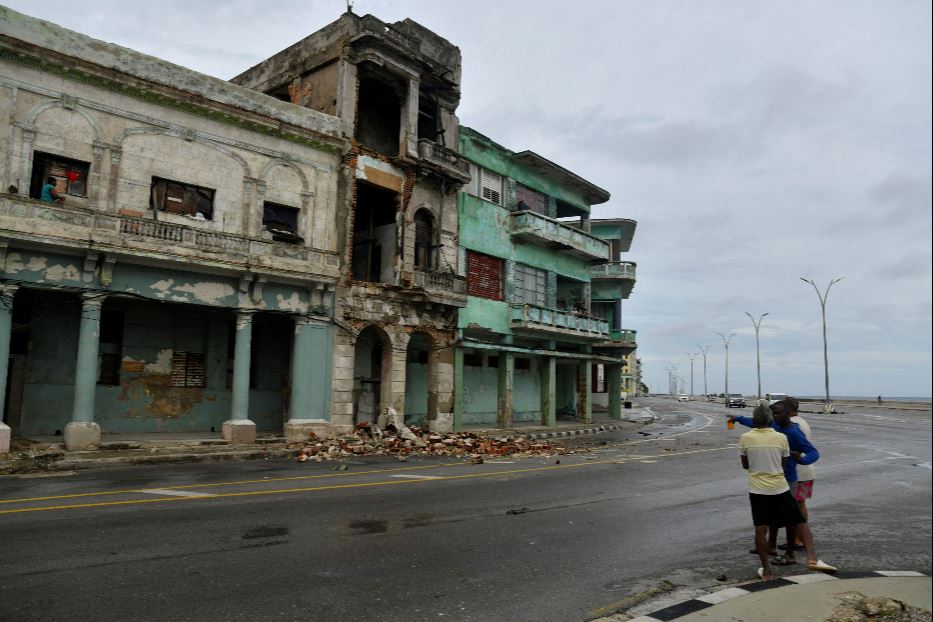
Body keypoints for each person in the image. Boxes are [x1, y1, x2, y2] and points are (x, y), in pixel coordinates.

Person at [731, 401, 837, 573]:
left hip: (788, 479)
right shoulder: (774, 425)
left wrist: (801, 459)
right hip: (776, 479)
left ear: (789, 413)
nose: (775, 417)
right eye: (773, 414)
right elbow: (756, 422)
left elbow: (813, 452)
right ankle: (771, 546)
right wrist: (738, 418)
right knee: (771, 519)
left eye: (779, 413)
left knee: (792, 519)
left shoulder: (793, 432)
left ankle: (791, 553)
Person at [738, 404, 800, 580]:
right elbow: (784, 464)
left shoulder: (745, 438)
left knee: (760, 529)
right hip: (780, 486)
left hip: (757, 489)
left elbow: (745, 465)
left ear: (754, 419)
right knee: (791, 521)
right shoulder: (781, 438)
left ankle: (766, 570)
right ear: (770, 419)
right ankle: (790, 553)